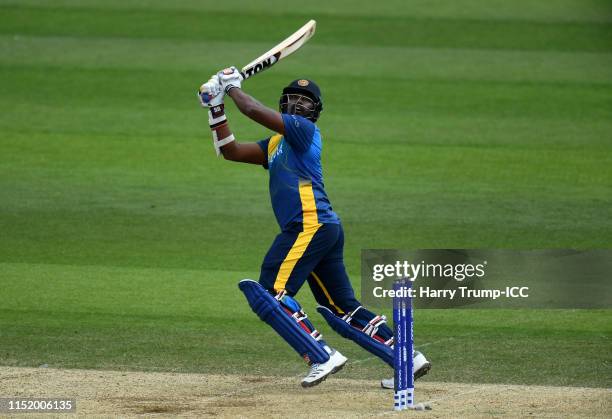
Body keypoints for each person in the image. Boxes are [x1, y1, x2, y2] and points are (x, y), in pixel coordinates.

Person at [198, 68, 431, 387]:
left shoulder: (303, 130)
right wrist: (216, 108)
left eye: (305, 101)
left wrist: (231, 87)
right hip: (323, 228)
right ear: (283, 102)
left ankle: (321, 355)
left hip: (308, 224)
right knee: (342, 308)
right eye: (292, 98)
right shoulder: (275, 143)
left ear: (314, 112)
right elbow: (231, 151)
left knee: (269, 293)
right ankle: (408, 358)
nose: (297, 104)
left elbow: (252, 109)